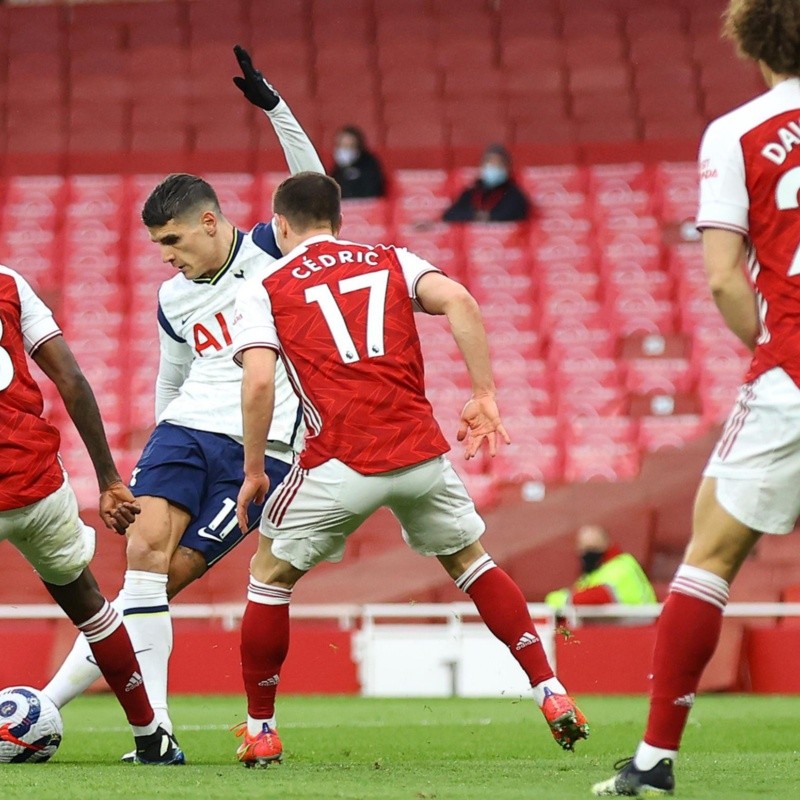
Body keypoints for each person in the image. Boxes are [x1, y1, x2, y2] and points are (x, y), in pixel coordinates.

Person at [229, 171, 589, 769]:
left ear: (281, 225)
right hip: (420, 456)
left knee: (268, 578)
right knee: (472, 563)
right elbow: (461, 301)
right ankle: (549, 691)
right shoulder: (391, 257)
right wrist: (484, 395)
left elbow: (260, 378)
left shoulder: (264, 286)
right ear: (339, 221)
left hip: (336, 461)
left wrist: (251, 471)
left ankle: (261, 729)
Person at [41, 45, 323, 759]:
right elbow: (171, 382)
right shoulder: (172, 298)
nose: (166, 256)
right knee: (140, 555)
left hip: (262, 448)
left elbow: (312, 185)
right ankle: (156, 729)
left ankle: (45, 702)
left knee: (166, 580)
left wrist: (275, 110)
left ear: (208, 221)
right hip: (183, 433)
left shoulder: (273, 250)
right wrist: (145, 458)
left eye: (172, 241)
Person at [593, 1, 800, 795]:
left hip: (789, 377)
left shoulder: (739, 132)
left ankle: (652, 760)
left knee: (709, 559)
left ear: (750, 39)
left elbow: (720, 275)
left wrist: (770, 349)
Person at [0, 265, 182, 764]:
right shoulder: (8, 282)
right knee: (91, 608)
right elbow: (72, 380)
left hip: (23, 479)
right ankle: (151, 738)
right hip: (34, 483)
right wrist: (108, 479)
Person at [545, 524, 656, 612]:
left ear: (606, 545)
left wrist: (557, 599)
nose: (588, 553)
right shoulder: (592, 573)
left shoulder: (621, 566)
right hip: (618, 629)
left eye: (593, 548)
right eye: (584, 548)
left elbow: (597, 596)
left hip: (641, 627)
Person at [442, 144, 530, 223]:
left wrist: (489, 216)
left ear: (507, 168)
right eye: (490, 163)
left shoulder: (514, 194)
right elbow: (449, 215)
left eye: (498, 164)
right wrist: (475, 216)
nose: (494, 167)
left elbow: (514, 214)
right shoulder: (471, 193)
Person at [329, 125, 386, 199]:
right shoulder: (337, 169)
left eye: (350, 146)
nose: (345, 150)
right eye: (342, 146)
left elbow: (373, 189)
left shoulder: (369, 164)